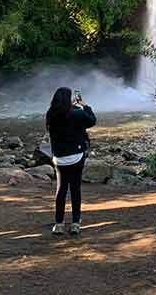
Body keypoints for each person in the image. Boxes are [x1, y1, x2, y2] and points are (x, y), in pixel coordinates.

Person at [46, 87, 96, 235]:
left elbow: (64, 115)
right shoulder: (76, 114)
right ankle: (75, 223)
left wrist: (72, 107)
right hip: (76, 157)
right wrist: (84, 105)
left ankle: (59, 223)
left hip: (59, 158)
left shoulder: (50, 114)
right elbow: (92, 120)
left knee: (61, 189)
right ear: (70, 99)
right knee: (75, 189)